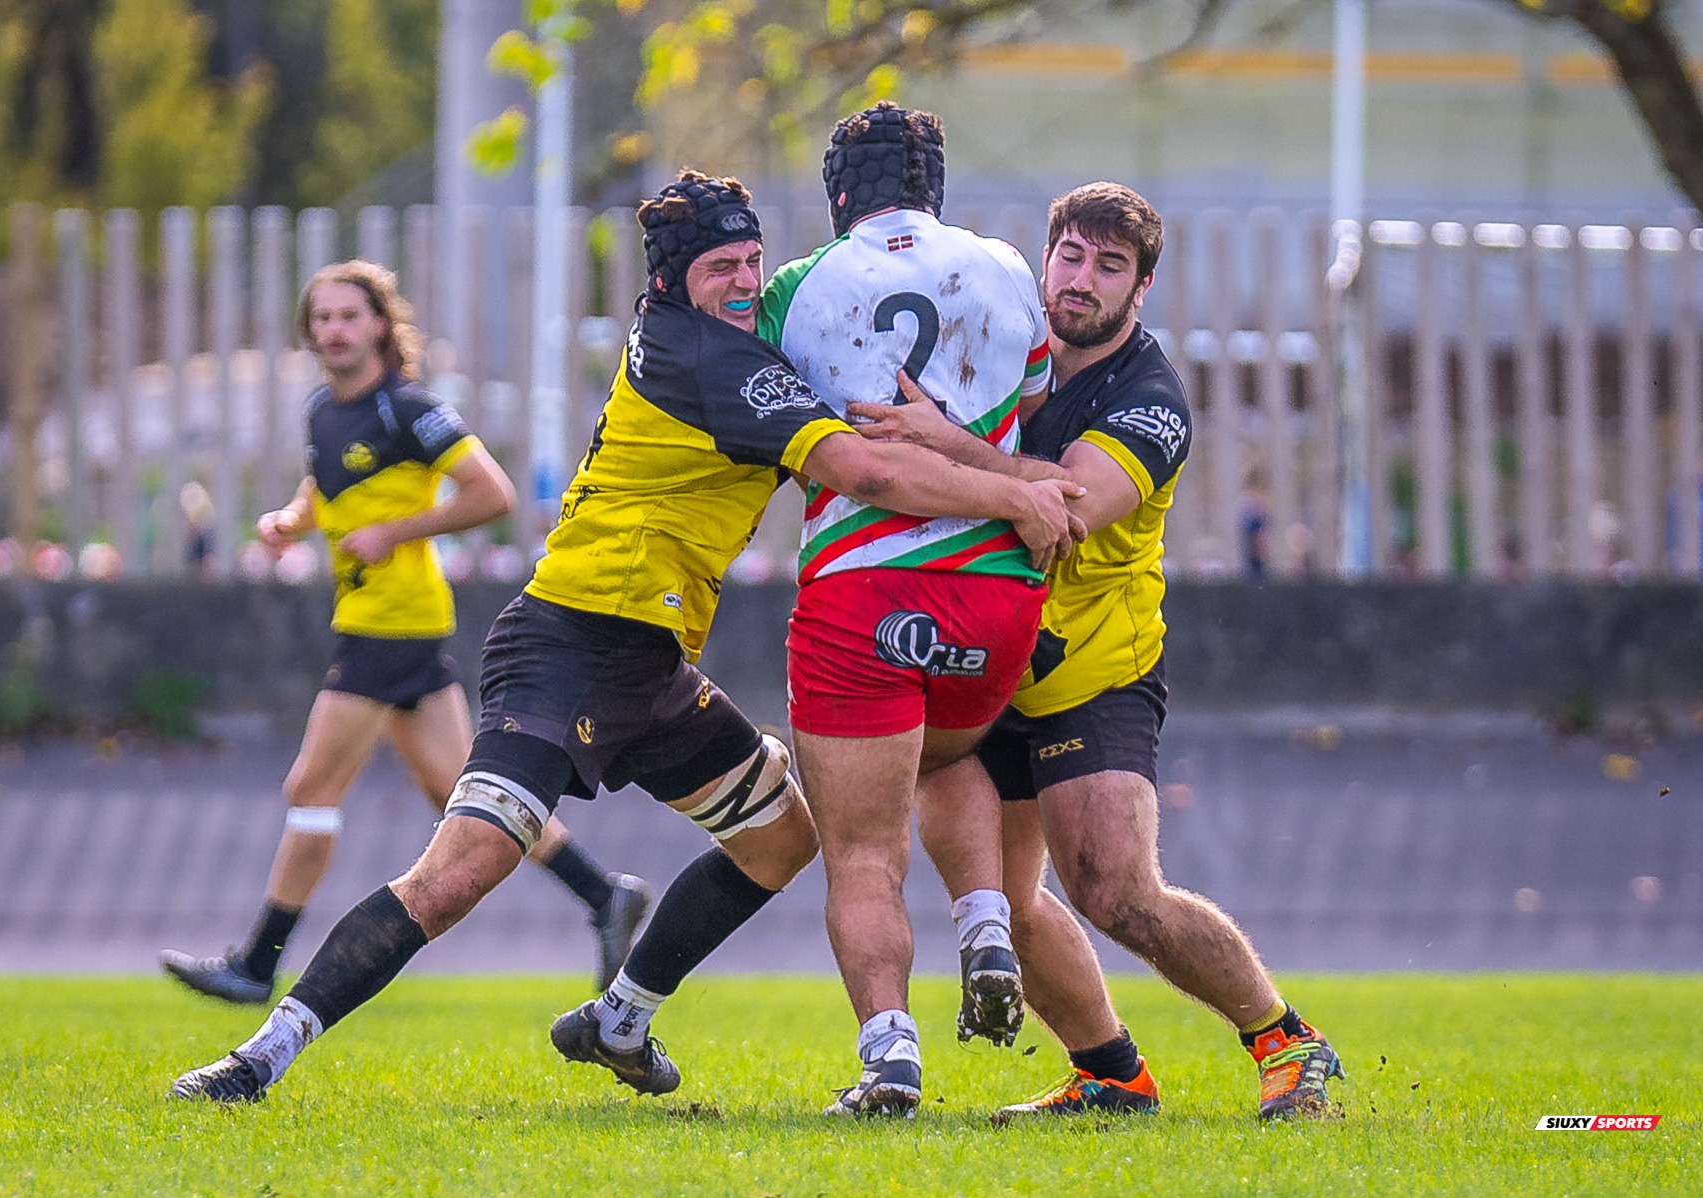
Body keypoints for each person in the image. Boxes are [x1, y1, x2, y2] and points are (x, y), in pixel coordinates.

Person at [169, 173, 1080, 1105]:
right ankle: (257, 1058)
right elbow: (862, 468)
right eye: (722, 266)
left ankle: (618, 1019)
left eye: (753, 262)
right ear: (673, 278)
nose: (744, 282)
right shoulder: (711, 362)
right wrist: (1017, 491)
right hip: (565, 643)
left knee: (780, 839)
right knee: (462, 870)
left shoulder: (714, 338)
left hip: (649, 662)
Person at [858, 182, 1346, 1122]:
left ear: (1142, 286)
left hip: (1093, 671)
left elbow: (1071, 505)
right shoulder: (999, 343)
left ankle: (1287, 1042)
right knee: (997, 900)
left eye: (1109, 267)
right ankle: (1111, 1074)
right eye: (1070, 258)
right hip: (990, 657)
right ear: (1045, 261)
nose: (1081, 281)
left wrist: (949, 448)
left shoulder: (1151, 400)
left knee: (1117, 892)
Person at [158, 260, 651, 1007]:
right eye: (320, 318)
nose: (332, 330)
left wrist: (398, 530)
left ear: (381, 326)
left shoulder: (408, 410)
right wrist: (293, 522)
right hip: (385, 624)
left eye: (348, 316)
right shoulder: (325, 410)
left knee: (311, 785)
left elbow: (492, 492)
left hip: (390, 626)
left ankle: (258, 964)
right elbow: (327, 486)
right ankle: (603, 894)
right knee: (464, 794)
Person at [759, 103, 1078, 1117]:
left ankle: (890, 1056)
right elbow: (1027, 406)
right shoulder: (1005, 269)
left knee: (860, 851)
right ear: (933, 185)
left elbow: (767, 423)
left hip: (862, 587)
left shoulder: (796, 288)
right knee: (946, 754)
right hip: (996, 595)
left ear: (838, 191)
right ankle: (985, 917)